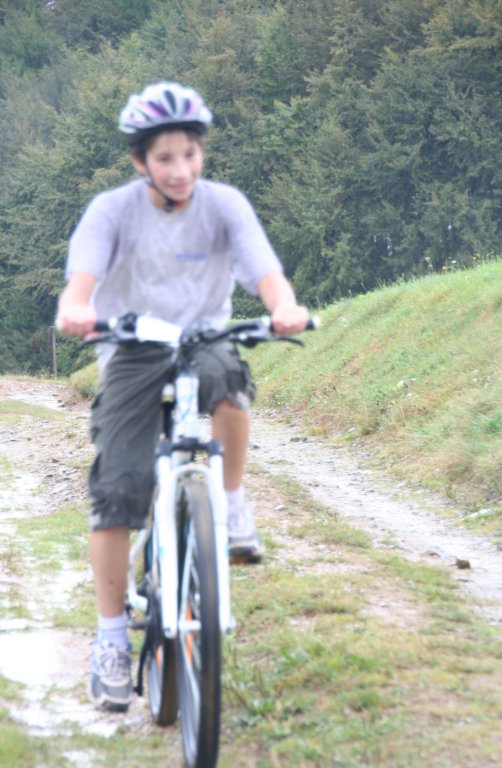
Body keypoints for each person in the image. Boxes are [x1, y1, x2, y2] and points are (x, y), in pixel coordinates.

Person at [56, 81, 309, 713]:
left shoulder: (224, 205)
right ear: (140, 160)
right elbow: (82, 277)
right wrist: (76, 307)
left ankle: (232, 507)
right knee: (119, 488)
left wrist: (284, 308)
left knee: (231, 385)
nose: (180, 169)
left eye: (190, 154)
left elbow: (264, 271)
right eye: (165, 157)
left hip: (204, 338)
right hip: (133, 348)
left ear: (202, 153)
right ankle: (111, 640)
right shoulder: (112, 211)